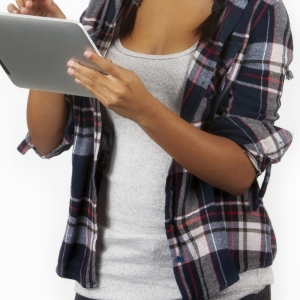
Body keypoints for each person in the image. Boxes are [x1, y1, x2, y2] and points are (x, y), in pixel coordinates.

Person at [8, 0, 293, 299]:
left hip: (216, 279)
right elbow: (46, 140)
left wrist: (144, 110)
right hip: (106, 279)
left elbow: (239, 172)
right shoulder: (108, 6)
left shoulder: (259, 11)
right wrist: (51, 40)